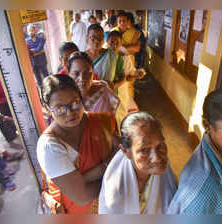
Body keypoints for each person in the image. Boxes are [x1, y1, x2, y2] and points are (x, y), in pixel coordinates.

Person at [37, 74, 119, 214]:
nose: (70, 113)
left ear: (81, 98)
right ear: (46, 109)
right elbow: (82, 197)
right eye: (59, 109)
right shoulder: (50, 147)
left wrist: (86, 178)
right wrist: (117, 178)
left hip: (111, 204)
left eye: (75, 103)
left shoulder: (100, 121)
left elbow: (122, 150)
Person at [98, 111, 177, 214]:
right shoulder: (115, 192)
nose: (157, 158)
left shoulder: (160, 165)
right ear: (126, 151)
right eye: (144, 150)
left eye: (160, 145)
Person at [106, 31, 146, 127]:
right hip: (106, 93)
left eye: (117, 43)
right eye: (112, 42)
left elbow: (129, 77)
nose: (114, 45)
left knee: (120, 117)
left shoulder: (124, 58)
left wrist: (137, 75)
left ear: (121, 44)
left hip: (121, 92)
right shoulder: (103, 57)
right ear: (107, 41)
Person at [85, 24, 125, 92]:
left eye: (99, 38)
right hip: (89, 97)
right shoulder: (82, 58)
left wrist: (114, 85)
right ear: (87, 38)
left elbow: (123, 77)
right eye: (93, 38)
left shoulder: (113, 56)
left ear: (103, 40)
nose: (97, 41)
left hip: (108, 96)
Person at [26, 23, 49, 88]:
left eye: (32, 30)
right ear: (27, 32)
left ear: (35, 31)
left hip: (42, 61)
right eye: (29, 31)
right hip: (34, 63)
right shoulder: (27, 41)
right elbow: (29, 52)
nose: (31, 32)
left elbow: (40, 47)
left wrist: (35, 51)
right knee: (38, 79)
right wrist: (39, 52)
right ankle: (41, 91)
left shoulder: (40, 38)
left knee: (46, 76)